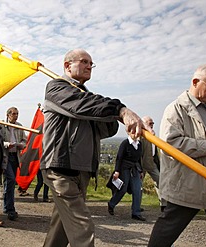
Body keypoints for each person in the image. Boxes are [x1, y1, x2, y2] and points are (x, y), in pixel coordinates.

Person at [40, 48, 147, 247]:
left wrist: (117, 118)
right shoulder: (56, 88)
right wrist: (119, 109)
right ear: (67, 65)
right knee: (82, 227)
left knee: (62, 227)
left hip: (82, 171)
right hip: (60, 168)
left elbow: (104, 130)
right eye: (84, 62)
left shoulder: (87, 96)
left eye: (91, 63)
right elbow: (82, 105)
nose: (89, 66)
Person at [148, 64, 206, 247]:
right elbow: (169, 144)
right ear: (196, 82)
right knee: (168, 228)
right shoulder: (176, 109)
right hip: (187, 182)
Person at [108, 132, 145, 221]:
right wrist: (117, 171)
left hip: (135, 168)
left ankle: (136, 213)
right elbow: (119, 158)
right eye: (133, 132)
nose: (135, 134)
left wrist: (141, 171)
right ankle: (111, 204)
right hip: (124, 168)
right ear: (129, 133)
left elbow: (139, 159)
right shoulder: (125, 143)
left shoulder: (140, 144)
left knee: (137, 189)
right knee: (123, 189)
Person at [1, 107, 26, 220]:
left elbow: (24, 140)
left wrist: (21, 145)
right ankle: (10, 208)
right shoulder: (1, 125)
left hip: (15, 157)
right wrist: (6, 144)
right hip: (5, 157)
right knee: (10, 180)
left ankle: (7, 206)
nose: (16, 116)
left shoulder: (19, 126)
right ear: (8, 115)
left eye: (17, 114)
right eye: (14, 114)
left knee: (10, 182)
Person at [140, 116, 166, 212]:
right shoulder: (141, 136)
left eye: (152, 123)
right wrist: (139, 169)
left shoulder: (153, 135)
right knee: (139, 186)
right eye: (150, 123)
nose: (152, 125)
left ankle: (163, 205)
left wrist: (158, 164)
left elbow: (155, 152)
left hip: (152, 164)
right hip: (142, 165)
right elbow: (139, 154)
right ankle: (136, 207)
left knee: (160, 182)